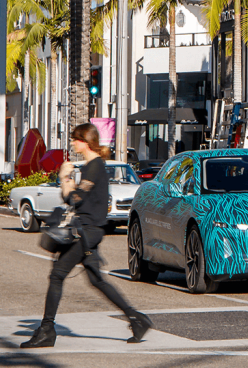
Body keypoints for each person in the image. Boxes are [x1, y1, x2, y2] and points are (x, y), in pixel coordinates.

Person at [21, 123, 152, 348]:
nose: (72, 143)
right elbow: (72, 198)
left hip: (86, 232)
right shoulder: (91, 166)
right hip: (88, 230)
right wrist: (67, 181)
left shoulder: (95, 167)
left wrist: (64, 178)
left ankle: (46, 329)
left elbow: (75, 199)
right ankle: (137, 319)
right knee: (97, 280)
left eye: (75, 139)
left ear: (85, 141)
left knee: (57, 275)